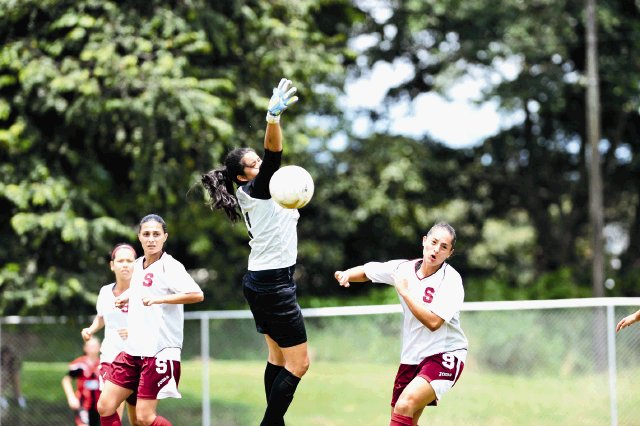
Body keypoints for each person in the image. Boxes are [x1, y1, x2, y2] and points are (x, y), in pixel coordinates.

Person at [199, 78, 309, 426]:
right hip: (274, 284)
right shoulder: (257, 189)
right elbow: (275, 154)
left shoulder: (262, 189)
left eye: (258, 160)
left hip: (260, 280)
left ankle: (274, 424)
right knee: (299, 364)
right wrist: (272, 119)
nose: (261, 163)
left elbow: (273, 160)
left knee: (277, 359)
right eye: (254, 163)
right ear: (243, 176)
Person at [334, 223, 467, 426]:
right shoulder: (403, 269)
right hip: (412, 357)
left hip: (445, 354)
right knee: (405, 418)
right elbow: (369, 271)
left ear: (450, 253)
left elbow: (433, 322)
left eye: (444, 247)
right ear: (424, 241)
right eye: (433, 242)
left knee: (404, 405)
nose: (436, 250)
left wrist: (405, 292)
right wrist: (347, 275)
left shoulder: (451, 281)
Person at [97, 214, 204, 426]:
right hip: (133, 350)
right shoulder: (137, 265)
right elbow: (141, 289)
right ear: (139, 237)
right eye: (146, 234)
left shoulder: (170, 266)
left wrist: (160, 299)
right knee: (105, 405)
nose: (151, 239)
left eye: (156, 234)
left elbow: (197, 294)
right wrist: (125, 298)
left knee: (144, 418)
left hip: (159, 352)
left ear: (165, 237)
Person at [81, 243, 138, 425]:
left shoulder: (143, 292)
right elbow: (102, 317)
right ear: (112, 265)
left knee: (139, 421)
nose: (125, 264)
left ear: (135, 265)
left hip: (137, 359)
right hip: (111, 358)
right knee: (108, 408)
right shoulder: (105, 292)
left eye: (129, 261)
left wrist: (135, 331)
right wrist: (90, 329)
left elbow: (156, 323)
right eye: (120, 260)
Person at [62, 337, 102, 426]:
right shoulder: (80, 364)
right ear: (85, 348)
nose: (93, 348)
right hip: (83, 403)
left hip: (99, 404)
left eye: (95, 346)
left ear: (100, 347)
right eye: (90, 346)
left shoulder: (103, 363)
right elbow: (66, 380)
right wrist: (71, 397)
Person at [0, 345, 27, 411]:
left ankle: (19, 396)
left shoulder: (12, 365)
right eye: (5, 355)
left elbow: (17, 369)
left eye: (9, 355)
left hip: (4, 383)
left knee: (15, 375)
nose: (7, 357)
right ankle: (1, 397)